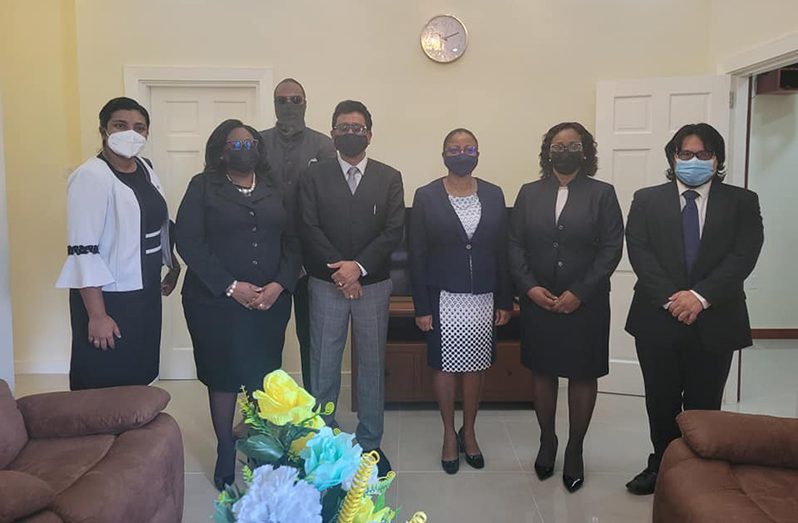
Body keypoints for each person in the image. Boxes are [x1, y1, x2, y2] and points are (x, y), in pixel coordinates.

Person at [624, 123, 764, 495]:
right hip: (658, 315)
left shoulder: (742, 201)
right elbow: (639, 251)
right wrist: (675, 298)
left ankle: (702, 470)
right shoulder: (647, 199)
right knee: (660, 398)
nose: (694, 161)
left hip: (716, 317)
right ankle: (663, 465)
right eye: (685, 154)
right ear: (673, 158)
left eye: (704, 154)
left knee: (705, 401)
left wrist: (699, 298)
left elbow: (744, 255)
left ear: (717, 159)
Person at [175, 119, 300, 490]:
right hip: (216, 302)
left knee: (262, 373)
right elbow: (188, 241)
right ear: (221, 150)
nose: (245, 150)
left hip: (270, 302)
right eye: (236, 144)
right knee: (224, 374)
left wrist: (280, 284)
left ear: (260, 151)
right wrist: (230, 286)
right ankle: (226, 448)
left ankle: (259, 444)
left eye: (251, 144)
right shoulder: (202, 187)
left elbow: (293, 241)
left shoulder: (274, 188)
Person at [508, 122, 624, 493]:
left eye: (574, 145)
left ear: (586, 152)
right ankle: (548, 439)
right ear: (547, 151)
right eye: (558, 145)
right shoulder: (529, 193)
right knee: (543, 372)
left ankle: (575, 448)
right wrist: (529, 288)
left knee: (582, 374)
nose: (565, 151)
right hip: (539, 300)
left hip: (584, 304)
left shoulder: (602, 194)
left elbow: (611, 249)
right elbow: (514, 245)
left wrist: (580, 291)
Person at [299, 100, 404, 477]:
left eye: (358, 127)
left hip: (373, 285)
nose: (350, 132)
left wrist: (357, 269)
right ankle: (324, 443)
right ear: (332, 133)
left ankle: (371, 443)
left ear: (370, 134)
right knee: (323, 366)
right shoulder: (313, 176)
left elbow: (393, 231)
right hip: (326, 284)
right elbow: (308, 227)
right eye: (343, 126)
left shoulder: (389, 177)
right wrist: (341, 274)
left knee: (372, 365)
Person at [56, 97, 180, 391]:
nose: (131, 133)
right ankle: (102, 436)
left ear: (147, 134)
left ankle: (134, 436)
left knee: (140, 370)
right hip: (110, 297)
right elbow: (82, 250)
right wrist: (97, 315)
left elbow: (159, 222)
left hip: (145, 292)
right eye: (120, 125)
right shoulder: (90, 176)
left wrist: (172, 264)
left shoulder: (146, 169)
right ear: (103, 130)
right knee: (106, 377)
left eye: (139, 127)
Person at [409, 128, 512, 474]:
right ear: (443, 154)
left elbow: (503, 251)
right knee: (445, 365)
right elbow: (417, 254)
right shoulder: (426, 196)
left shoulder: (495, 194)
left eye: (469, 148)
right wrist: (421, 306)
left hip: (483, 295)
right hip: (443, 297)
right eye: (454, 148)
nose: (462, 153)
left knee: (476, 365)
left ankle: (469, 432)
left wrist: (505, 299)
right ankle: (448, 435)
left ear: (478, 153)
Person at [260, 78, 337, 393]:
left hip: (311, 263)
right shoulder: (259, 143)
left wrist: (312, 258)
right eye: (283, 100)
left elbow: (332, 205)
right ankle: (262, 410)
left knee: (313, 338)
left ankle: (314, 409)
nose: (289, 106)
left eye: (296, 100)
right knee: (265, 339)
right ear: (274, 104)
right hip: (267, 260)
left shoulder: (324, 146)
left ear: (306, 103)